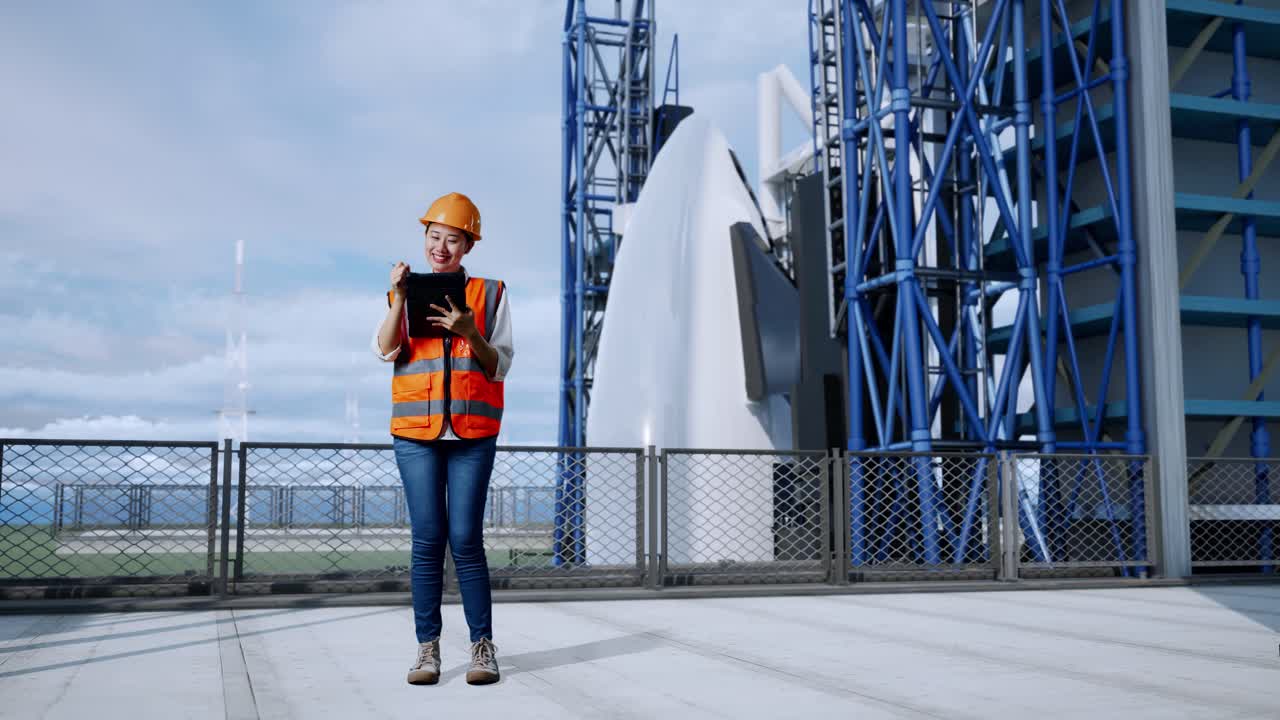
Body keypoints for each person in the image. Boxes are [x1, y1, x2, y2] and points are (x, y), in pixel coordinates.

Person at [372, 191, 513, 686]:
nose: (441, 247)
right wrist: (398, 295)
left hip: (472, 434)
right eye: (434, 237)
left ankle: (482, 648)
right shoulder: (403, 291)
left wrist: (470, 332)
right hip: (416, 434)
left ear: (468, 245)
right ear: (425, 238)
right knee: (428, 540)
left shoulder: (490, 294)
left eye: (453, 239)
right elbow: (386, 350)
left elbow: (499, 367)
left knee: (466, 540)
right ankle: (427, 649)